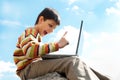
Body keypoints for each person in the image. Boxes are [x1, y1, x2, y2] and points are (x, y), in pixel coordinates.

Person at [13, 7, 110, 80]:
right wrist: (57, 45)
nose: (51, 31)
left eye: (53, 28)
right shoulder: (30, 32)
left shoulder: (36, 37)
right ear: (41, 20)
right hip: (28, 70)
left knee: (80, 63)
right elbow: (30, 50)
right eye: (50, 25)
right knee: (72, 62)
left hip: (33, 67)